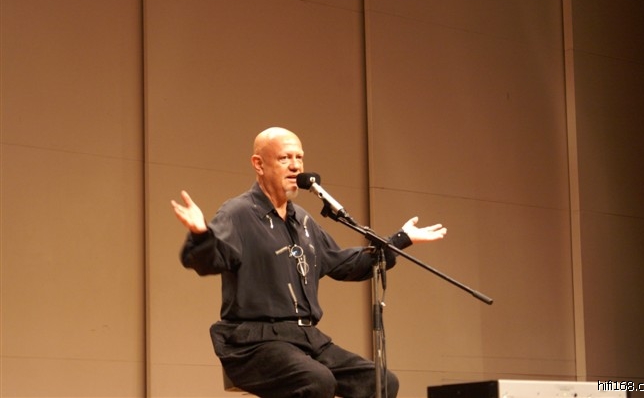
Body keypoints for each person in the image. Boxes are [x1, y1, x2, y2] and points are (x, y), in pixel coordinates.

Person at [171, 126, 447, 398]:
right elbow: (210, 259)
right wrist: (201, 234)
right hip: (254, 342)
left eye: (299, 158)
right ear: (259, 164)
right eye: (284, 158)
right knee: (317, 380)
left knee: (382, 382)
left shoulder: (302, 220)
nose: (295, 166)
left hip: (305, 338)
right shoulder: (238, 212)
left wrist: (400, 239)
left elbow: (345, 263)